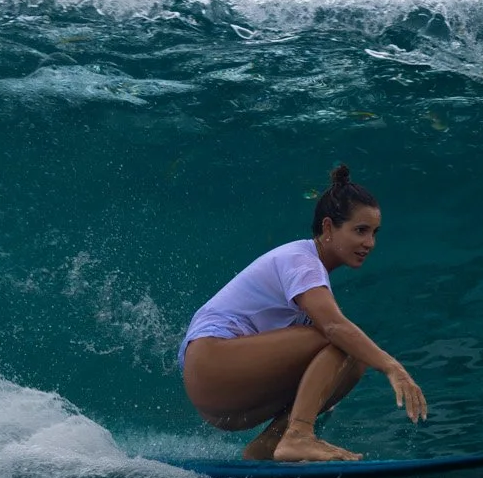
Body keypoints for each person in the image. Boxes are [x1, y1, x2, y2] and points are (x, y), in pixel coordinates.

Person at [178, 164, 428, 462]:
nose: (369, 243)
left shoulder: (314, 277)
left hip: (225, 399)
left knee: (351, 360)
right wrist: (392, 367)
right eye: (360, 231)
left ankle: (268, 446)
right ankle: (298, 436)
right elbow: (335, 328)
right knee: (341, 340)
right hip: (211, 364)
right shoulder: (301, 260)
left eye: (374, 233)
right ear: (327, 228)